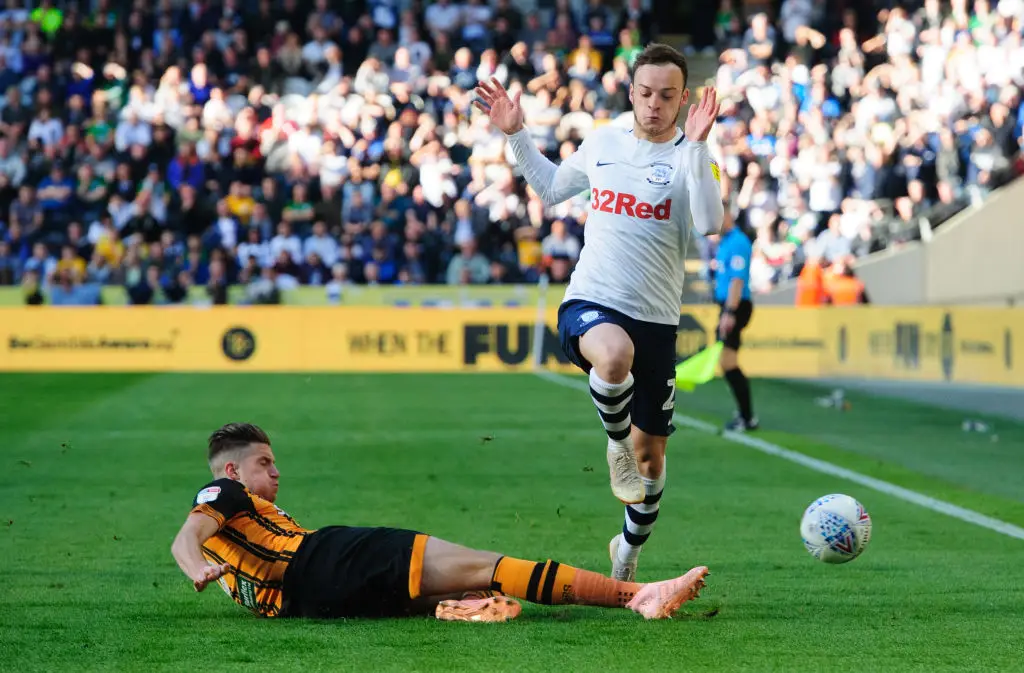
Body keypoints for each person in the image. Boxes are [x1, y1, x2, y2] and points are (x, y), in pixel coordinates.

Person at [474, 43, 723, 582]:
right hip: (591, 300)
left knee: (653, 464)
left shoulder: (692, 156)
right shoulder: (604, 141)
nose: (654, 104)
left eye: (667, 95)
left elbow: (709, 224)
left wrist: (699, 148)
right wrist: (516, 133)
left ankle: (626, 555)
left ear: (683, 100)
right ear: (631, 92)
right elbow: (550, 189)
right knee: (613, 357)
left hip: (657, 321)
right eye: (646, 93)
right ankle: (616, 448)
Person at [171, 423, 710, 623]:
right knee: (487, 564)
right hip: (324, 559)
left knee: (463, 580)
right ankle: (636, 594)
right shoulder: (224, 491)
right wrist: (195, 566)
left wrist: (207, 565)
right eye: (265, 463)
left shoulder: (240, 536)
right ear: (234, 468)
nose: (276, 472)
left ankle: (450, 606)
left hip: (312, 604)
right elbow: (186, 538)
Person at [713, 203, 757, 432]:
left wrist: (729, 313)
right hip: (730, 305)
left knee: (728, 361)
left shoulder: (738, 242)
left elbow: (737, 281)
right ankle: (745, 413)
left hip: (736, 306)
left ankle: (747, 416)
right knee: (726, 361)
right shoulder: (725, 242)